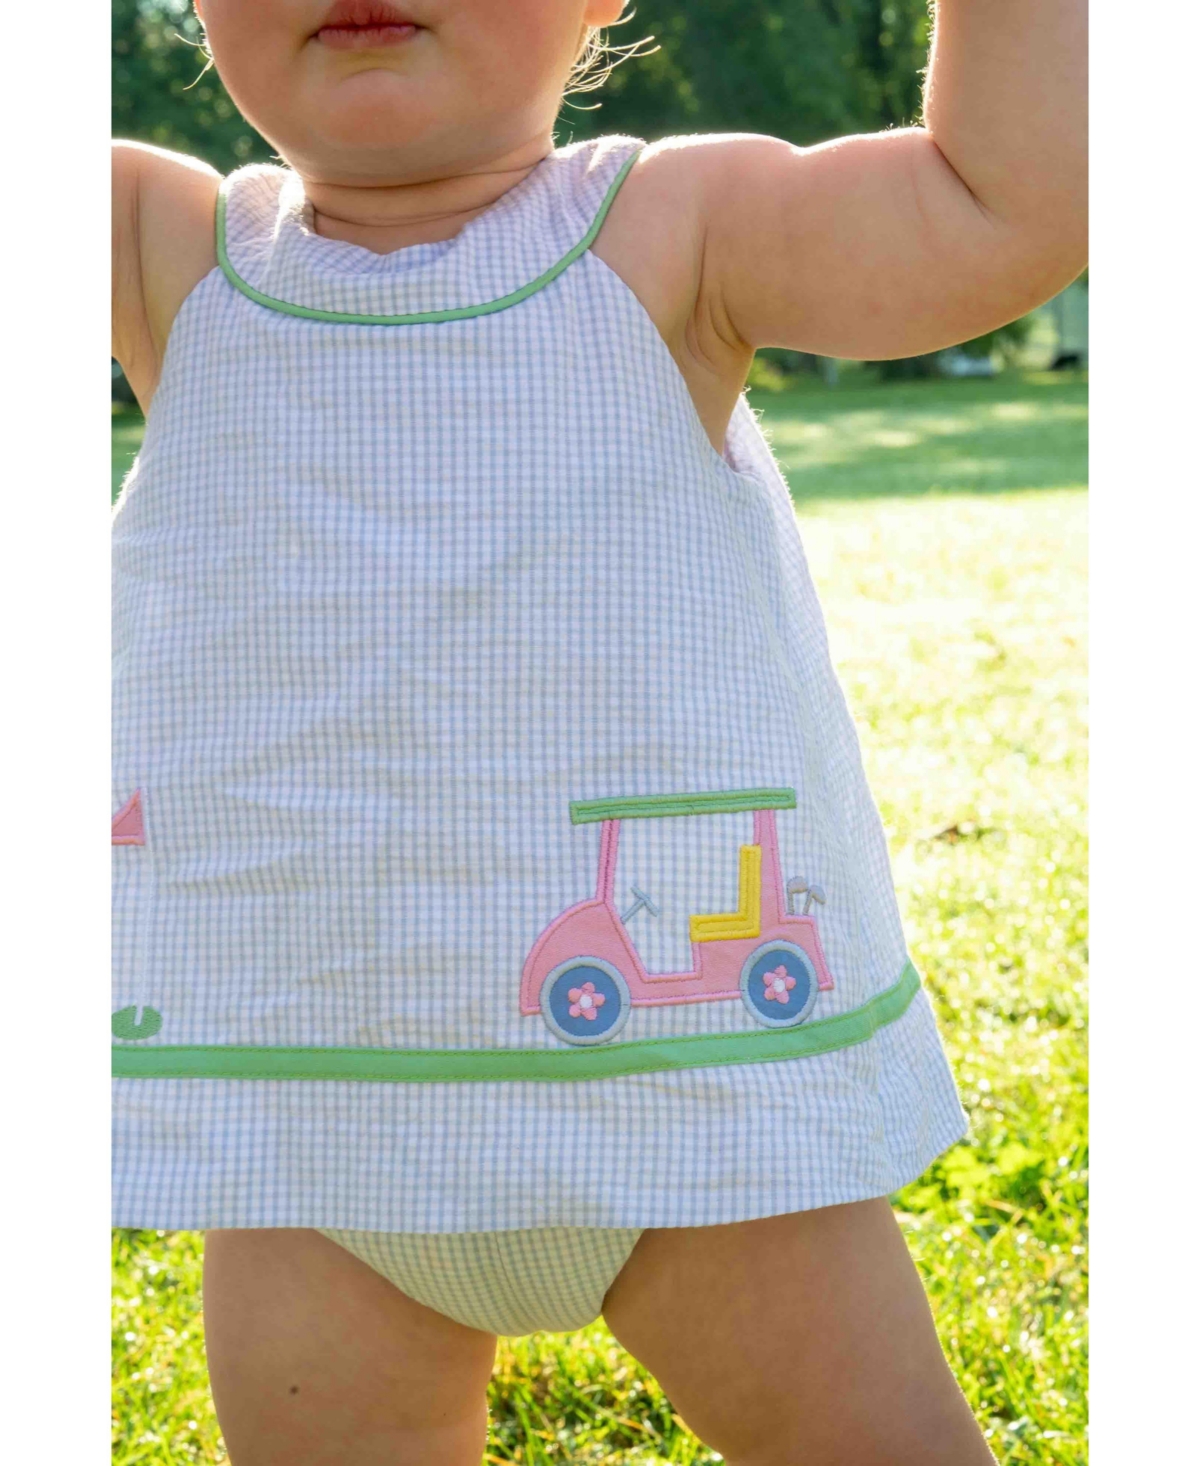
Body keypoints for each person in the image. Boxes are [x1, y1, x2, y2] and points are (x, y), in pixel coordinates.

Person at [110, 3, 1086, 1463]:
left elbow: (999, 208)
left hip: (703, 1113)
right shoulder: (164, 258)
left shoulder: (671, 233)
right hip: (315, 1131)